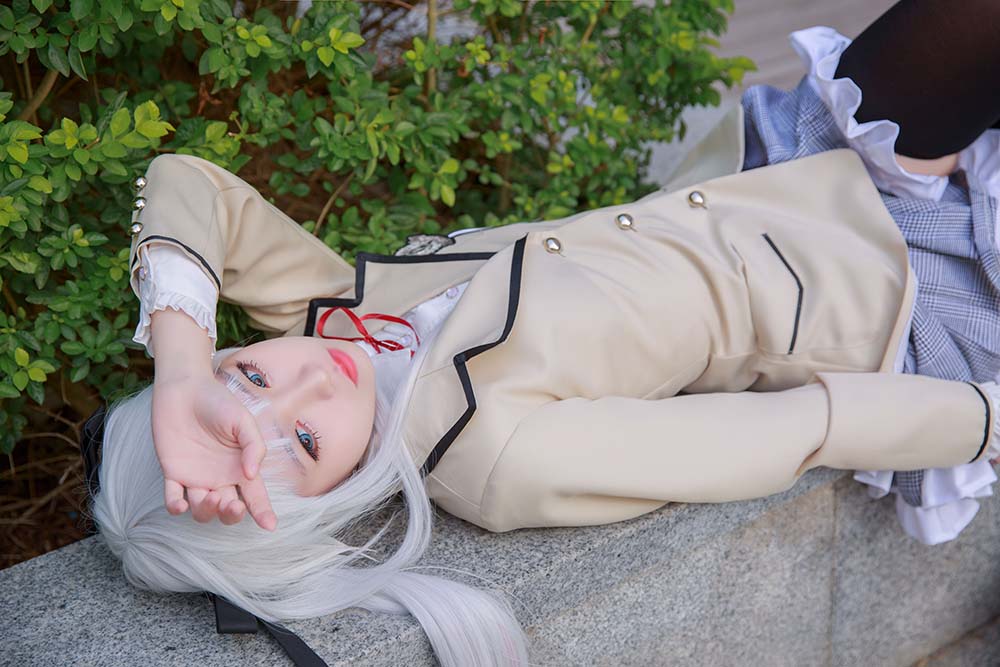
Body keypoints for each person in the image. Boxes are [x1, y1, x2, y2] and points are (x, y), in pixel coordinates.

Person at [86, 2, 1000, 665]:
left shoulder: (333, 311)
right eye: (307, 439)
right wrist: (985, 420)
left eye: (250, 377)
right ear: (335, 502)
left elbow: (186, 183)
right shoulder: (494, 454)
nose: (314, 379)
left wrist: (182, 370)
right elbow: (790, 431)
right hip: (893, 290)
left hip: (785, 161)